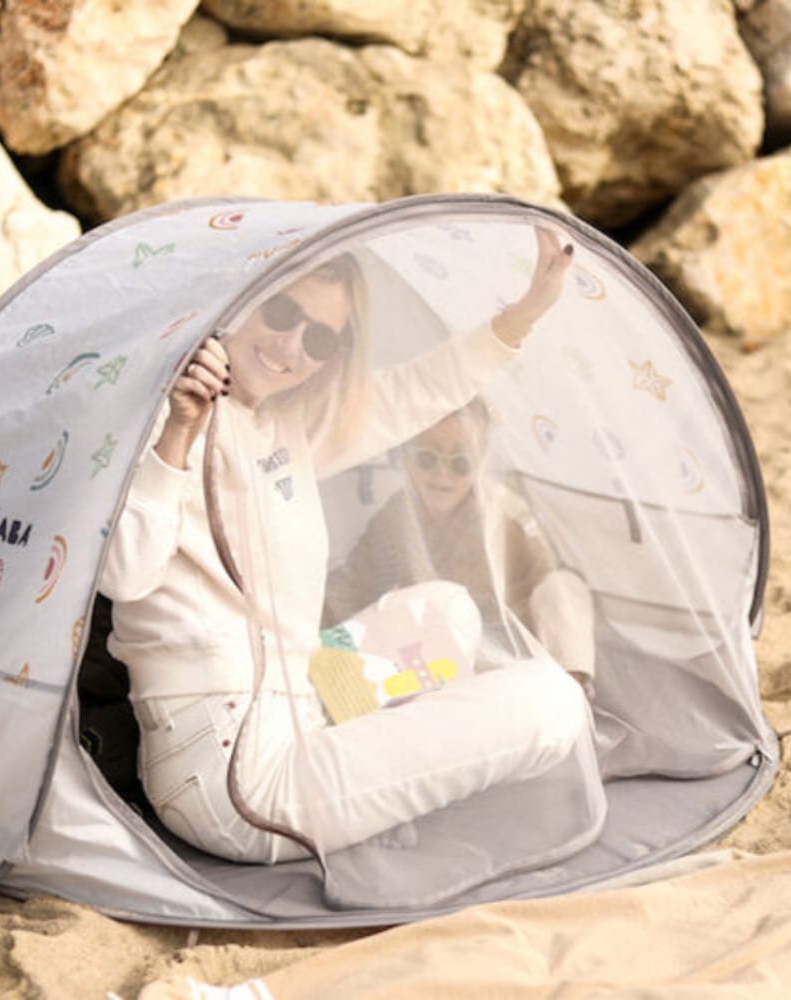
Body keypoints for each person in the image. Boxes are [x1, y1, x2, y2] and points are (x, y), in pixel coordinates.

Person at [99, 228, 604, 865]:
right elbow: (124, 574)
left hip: (298, 701)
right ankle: (379, 775)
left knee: (447, 613)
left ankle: (372, 765)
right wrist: (177, 429)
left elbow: (419, 390)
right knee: (552, 703)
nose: (290, 346)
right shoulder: (170, 408)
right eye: (282, 313)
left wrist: (527, 310)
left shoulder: (284, 424)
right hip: (232, 779)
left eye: (318, 339)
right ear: (245, 301)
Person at [322, 398, 597, 697]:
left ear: (479, 464)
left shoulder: (503, 516)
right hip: (436, 659)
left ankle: (572, 693)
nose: (442, 475)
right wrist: (314, 633)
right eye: (426, 459)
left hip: (508, 657)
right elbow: (353, 584)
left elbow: (548, 584)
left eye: (460, 465)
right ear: (406, 458)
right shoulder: (397, 515)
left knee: (564, 587)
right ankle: (337, 689)